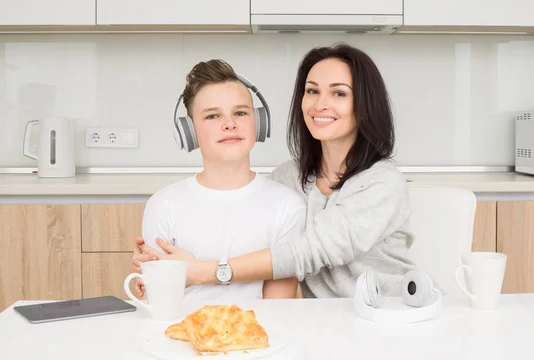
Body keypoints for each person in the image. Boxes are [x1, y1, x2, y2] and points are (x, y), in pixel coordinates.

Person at [133, 43, 415, 299]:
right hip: (325, 321)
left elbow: (307, 252)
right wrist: (154, 273)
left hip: (389, 313)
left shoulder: (382, 182)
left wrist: (197, 272)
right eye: (312, 91)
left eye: (339, 93)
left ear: (364, 104)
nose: (320, 104)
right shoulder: (287, 180)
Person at [133, 58, 306, 301]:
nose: (230, 124)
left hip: (258, 336)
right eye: (213, 116)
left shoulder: (288, 205)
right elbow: (161, 300)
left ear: (259, 123)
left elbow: (277, 309)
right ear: (190, 131)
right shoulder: (164, 205)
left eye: (240, 112)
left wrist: (194, 272)